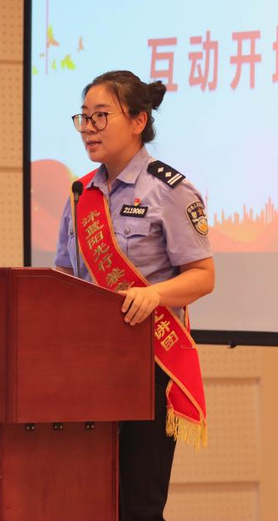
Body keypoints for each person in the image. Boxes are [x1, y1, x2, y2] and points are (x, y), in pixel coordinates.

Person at [54, 70, 215, 521]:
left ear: (138, 120)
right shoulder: (80, 194)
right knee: (87, 502)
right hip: (89, 368)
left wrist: (156, 296)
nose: (88, 128)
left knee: (138, 507)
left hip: (148, 366)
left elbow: (203, 276)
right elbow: (64, 276)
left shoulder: (170, 191)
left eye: (101, 116)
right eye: (83, 117)